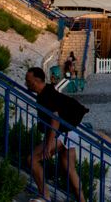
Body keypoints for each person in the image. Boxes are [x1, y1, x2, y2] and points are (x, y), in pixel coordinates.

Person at [24, 67, 88, 202]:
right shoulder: (47, 92)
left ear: (37, 80)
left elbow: (55, 119)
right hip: (70, 132)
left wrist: (48, 145)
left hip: (61, 133)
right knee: (70, 170)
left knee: (33, 159)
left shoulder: (47, 94)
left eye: (28, 80)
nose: (26, 83)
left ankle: (44, 196)